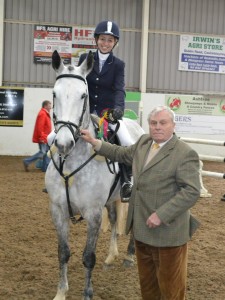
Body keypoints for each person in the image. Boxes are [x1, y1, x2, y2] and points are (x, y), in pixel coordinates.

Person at [81, 105, 201, 300]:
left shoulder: (184, 153)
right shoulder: (144, 143)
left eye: (163, 123)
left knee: (171, 289)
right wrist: (95, 142)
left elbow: (191, 191)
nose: (157, 127)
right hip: (142, 231)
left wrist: (162, 215)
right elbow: (120, 153)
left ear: (173, 125)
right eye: (153, 123)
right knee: (148, 287)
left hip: (168, 235)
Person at [78, 20, 134, 202]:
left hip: (106, 113)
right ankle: (55, 174)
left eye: (110, 40)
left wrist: (118, 109)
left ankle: (127, 180)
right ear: (96, 39)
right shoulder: (84, 59)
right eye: (103, 39)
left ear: (114, 43)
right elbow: (79, 83)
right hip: (85, 112)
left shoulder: (118, 65)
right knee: (54, 136)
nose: (105, 43)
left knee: (126, 141)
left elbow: (119, 89)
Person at [23, 100, 52, 172]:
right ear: (45, 106)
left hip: (46, 137)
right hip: (43, 137)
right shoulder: (42, 114)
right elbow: (40, 127)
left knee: (47, 152)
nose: (51, 107)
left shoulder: (45, 113)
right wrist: (42, 137)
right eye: (49, 105)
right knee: (42, 152)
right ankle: (27, 161)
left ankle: (45, 168)